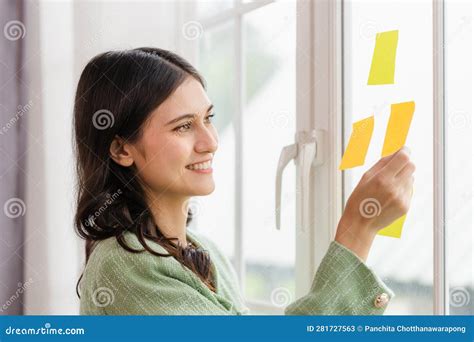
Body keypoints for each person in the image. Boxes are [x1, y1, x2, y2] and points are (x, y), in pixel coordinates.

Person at [74, 47, 415, 315]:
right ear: (121, 149)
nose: (210, 141)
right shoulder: (123, 265)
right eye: (183, 126)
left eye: (208, 118)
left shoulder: (206, 254)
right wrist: (358, 228)